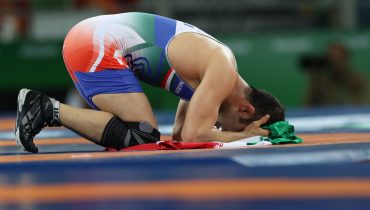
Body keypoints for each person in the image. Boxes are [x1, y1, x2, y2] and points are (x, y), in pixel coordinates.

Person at [15, 12, 285, 153]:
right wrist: (243, 137)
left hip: (91, 39)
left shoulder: (208, 80)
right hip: (95, 42)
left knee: (142, 135)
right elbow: (195, 135)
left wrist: (235, 134)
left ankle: (47, 109)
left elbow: (181, 136)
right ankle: (46, 108)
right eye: (232, 126)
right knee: (143, 136)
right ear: (246, 111)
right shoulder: (223, 67)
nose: (219, 126)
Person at [304, 43, 370, 106]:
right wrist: (315, 80)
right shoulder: (321, 83)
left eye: (339, 59)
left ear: (346, 59)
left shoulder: (359, 80)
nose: (335, 64)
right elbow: (307, 108)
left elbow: (364, 105)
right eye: (332, 60)